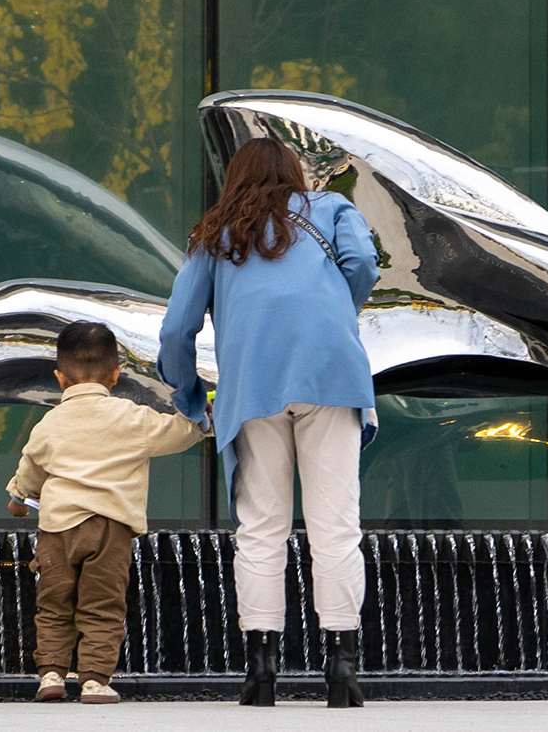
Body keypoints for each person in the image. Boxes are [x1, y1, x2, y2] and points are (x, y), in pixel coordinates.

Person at [158, 136, 380, 708]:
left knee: (260, 528)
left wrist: (188, 396)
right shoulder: (331, 210)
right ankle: (343, 670)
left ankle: (261, 674)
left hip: (252, 386)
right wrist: (337, 313)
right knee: (335, 525)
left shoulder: (215, 233)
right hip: (331, 375)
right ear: (294, 172)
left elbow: (176, 330)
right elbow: (363, 264)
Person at [4, 320, 207, 705]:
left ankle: (50, 675)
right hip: (110, 529)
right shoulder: (133, 418)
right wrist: (203, 421)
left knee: (54, 605)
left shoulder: (49, 423)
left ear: (60, 378)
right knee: (102, 606)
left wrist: (18, 498)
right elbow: (181, 432)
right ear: (116, 374)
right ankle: (95, 681)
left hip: (57, 529)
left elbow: (30, 467)